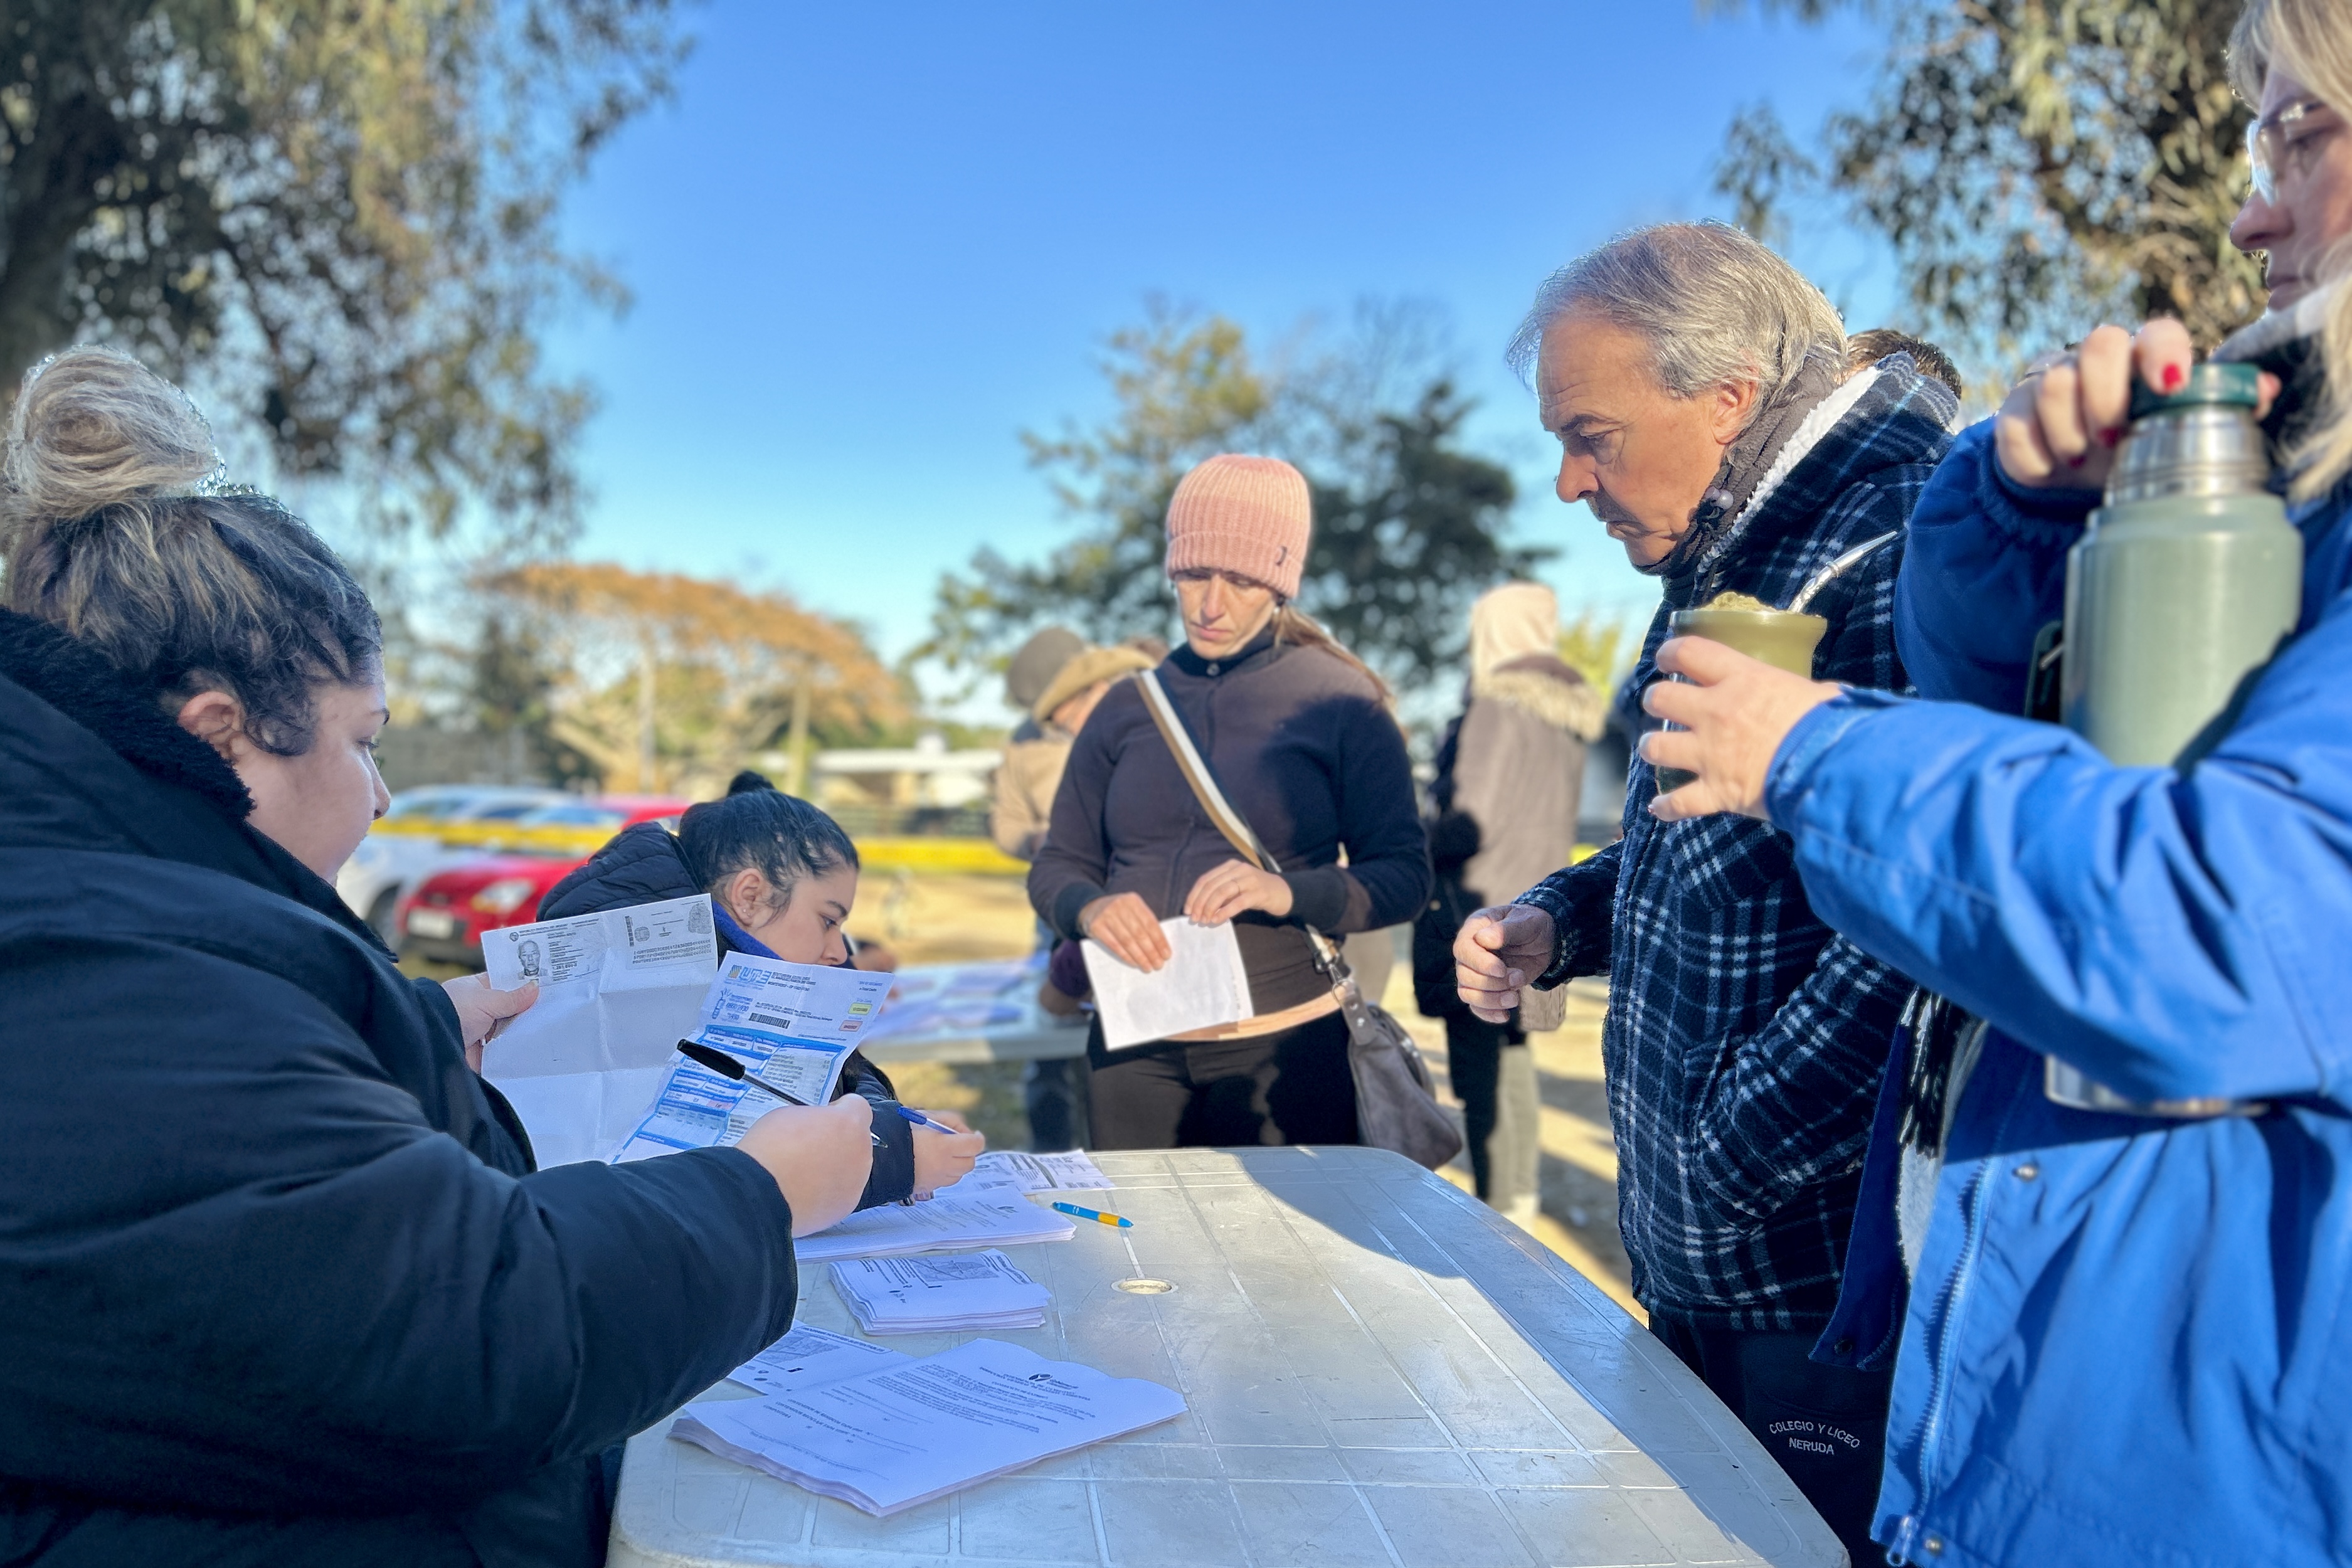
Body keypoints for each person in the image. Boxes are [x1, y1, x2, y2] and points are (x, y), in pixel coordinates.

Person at [1628, 4, 2352, 1559]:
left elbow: (2224, 922)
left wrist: (1814, 752)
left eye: (2304, 137)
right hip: (2049, 1392)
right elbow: (2024, 741)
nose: (2247, 208)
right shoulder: (2292, 482)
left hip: (2211, 1464)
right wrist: (2021, 513)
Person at [0, 347, 875, 1566]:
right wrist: (767, 1193)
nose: (382, 790)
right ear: (223, 735)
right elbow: (479, 1331)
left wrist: (403, 1027)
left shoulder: (99, 900)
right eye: (366, 741)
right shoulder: (89, 965)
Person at [1451, 221, 1957, 1560]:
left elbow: (1921, 917)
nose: (1567, 481)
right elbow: (1697, 843)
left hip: (1815, 1279)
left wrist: (1731, 1154)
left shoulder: (1903, 538)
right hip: (1708, 1252)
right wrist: (1563, 916)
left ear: (1729, 395)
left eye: (1593, 433)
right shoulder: (1725, 555)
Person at [1029, 453, 1429, 1148]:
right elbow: (1057, 863)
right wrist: (1086, 907)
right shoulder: (1128, 703)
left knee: (1285, 1259)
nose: (1211, 605)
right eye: (1192, 575)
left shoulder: (1341, 700)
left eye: (1241, 580)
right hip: (1131, 1048)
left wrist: (1285, 893)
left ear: (1280, 582)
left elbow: (1403, 878)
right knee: (1137, 1253)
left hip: (1287, 1054)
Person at [541, 770, 985, 1203]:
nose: (836, 951)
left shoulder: (752, 964)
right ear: (750, 897)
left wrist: (886, 1122)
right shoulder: (639, 986)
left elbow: (841, 1072)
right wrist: (890, 1159)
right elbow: (712, 1171)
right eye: (828, 921)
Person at [1412, 582, 1603, 1225]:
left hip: (1484, 916)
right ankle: (1517, 1204)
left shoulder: (1497, 706)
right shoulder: (1566, 714)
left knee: (1481, 1077)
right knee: (1515, 1061)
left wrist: (1406, 835)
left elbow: (1468, 823)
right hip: (1543, 914)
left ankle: (1498, 1215)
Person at [992, 633, 1155, 1147]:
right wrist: (1047, 844)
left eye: (1063, 711)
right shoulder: (1023, 744)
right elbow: (1006, 825)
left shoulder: (1148, 720)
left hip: (1138, 903)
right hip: (1072, 910)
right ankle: (1056, 1154)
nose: (1058, 725)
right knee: (1056, 1038)